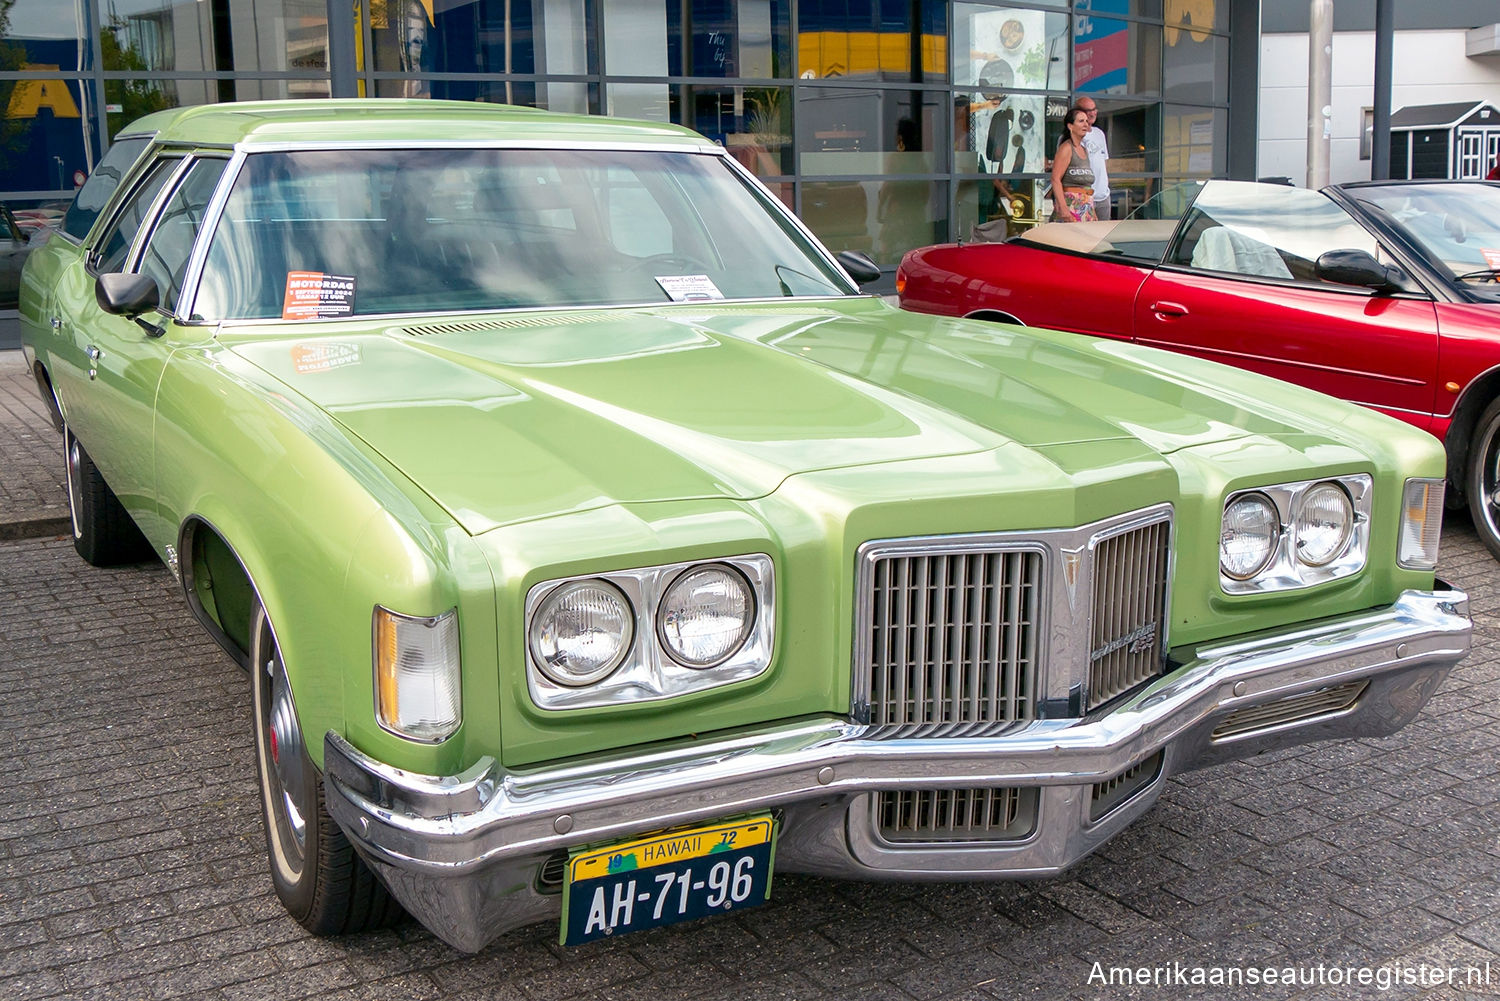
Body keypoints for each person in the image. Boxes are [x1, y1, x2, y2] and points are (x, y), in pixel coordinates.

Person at [1050, 107, 1097, 223]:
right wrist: (1063, 208)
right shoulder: (1066, 148)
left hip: (1086, 207)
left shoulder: (1084, 150)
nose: (1085, 124)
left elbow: (1087, 187)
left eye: (1086, 121)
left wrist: (1093, 212)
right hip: (1070, 206)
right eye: (1081, 121)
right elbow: (1055, 179)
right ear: (1070, 126)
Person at [1076, 96, 1111, 219]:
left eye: (1094, 109)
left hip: (1103, 197)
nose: (1093, 113)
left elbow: (1103, 162)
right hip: (1084, 197)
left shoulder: (1099, 133)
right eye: (1088, 110)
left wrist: (1105, 186)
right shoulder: (1072, 136)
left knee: (1103, 235)